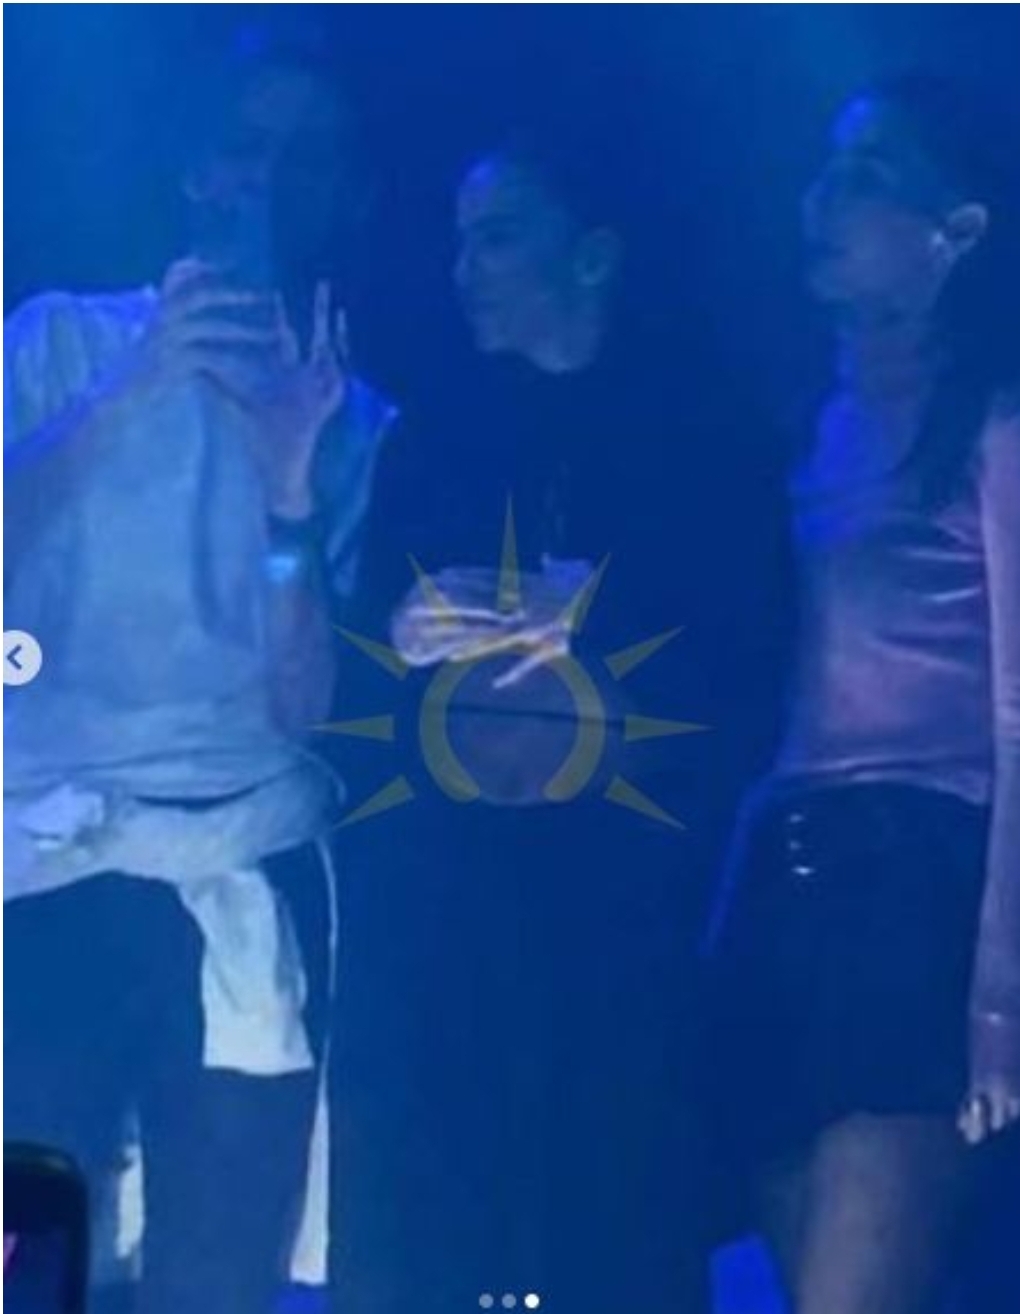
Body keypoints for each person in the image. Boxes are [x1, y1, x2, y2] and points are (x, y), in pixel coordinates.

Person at [329, 131, 788, 1314]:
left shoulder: (706, 422)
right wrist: (405, 624)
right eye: (459, 241)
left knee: (614, 1203)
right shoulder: (433, 435)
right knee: (435, 1205)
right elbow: (361, 662)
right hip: (443, 897)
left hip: (629, 901)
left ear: (593, 253)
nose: (467, 269)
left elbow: (752, 657)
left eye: (499, 236)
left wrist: (596, 618)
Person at [3, 31, 393, 1314]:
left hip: (241, 856)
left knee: (215, 1283)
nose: (269, 180)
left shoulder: (352, 415)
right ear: (196, 170)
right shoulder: (58, 341)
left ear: (345, 193)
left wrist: (289, 497)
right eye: (247, 147)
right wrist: (128, 394)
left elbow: (303, 708)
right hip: (43, 862)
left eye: (307, 157)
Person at [708, 75, 1020, 1314]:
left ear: (959, 230)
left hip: (920, 885)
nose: (823, 200)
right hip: (780, 890)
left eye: (870, 176)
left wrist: (999, 1004)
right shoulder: (799, 425)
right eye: (826, 171)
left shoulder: (997, 427)